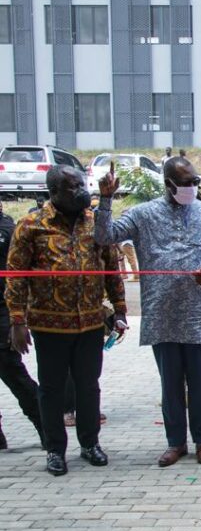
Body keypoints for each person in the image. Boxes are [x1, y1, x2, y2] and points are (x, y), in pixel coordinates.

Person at [95, 157, 201, 468]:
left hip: (198, 313)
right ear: (168, 184)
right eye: (186, 183)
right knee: (170, 385)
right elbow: (104, 237)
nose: (192, 188)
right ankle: (175, 443)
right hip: (161, 313)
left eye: (195, 182)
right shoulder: (144, 214)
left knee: (199, 384)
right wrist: (105, 199)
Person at [5, 167, 125, 475]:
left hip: (89, 322)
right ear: (54, 192)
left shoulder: (95, 223)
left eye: (82, 185)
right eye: (73, 187)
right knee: (51, 389)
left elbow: (111, 267)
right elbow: (15, 277)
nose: (81, 191)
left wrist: (121, 311)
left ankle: (90, 443)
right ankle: (55, 449)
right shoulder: (31, 225)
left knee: (89, 386)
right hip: (49, 325)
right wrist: (17, 322)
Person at [0, 200, 44, 451]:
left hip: (4, 309)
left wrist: (18, 319)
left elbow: (18, 277)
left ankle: (45, 428)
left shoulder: (8, 230)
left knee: (13, 373)